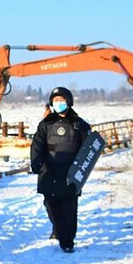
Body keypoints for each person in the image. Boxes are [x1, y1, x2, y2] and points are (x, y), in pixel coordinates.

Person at [30, 86, 90, 253]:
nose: (58, 103)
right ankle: (58, 229)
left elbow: (88, 148)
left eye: (61, 100)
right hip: (49, 171)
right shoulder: (45, 124)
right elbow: (37, 145)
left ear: (69, 102)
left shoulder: (80, 125)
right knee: (51, 204)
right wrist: (36, 162)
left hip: (71, 172)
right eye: (55, 101)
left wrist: (83, 169)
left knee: (69, 208)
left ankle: (67, 241)